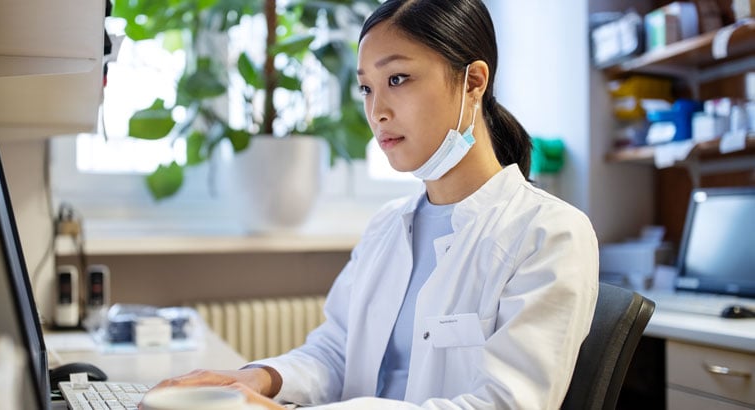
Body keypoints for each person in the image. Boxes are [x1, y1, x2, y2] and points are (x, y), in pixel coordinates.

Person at [150, 0, 599, 408]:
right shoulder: (389, 225)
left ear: (473, 82)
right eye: (366, 88)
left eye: (397, 79)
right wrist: (254, 379)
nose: (377, 110)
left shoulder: (549, 233)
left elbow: (505, 403)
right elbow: (336, 349)